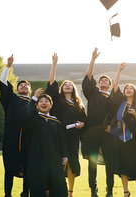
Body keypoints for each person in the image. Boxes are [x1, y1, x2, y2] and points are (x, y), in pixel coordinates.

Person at [46, 53, 86, 197]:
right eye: (65, 84)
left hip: (72, 137)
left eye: (70, 84)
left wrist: (81, 124)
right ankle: (53, 189)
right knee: (57, 162)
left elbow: (84, 121)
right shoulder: (57, 100)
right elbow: (51, 83)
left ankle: (70, 192)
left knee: (72, 164)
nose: (67, 85)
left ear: (73, 88)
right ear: (61, 88)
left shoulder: (78, 105)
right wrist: (54, 64)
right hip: (58, 134)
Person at [81, 48, 114, 197]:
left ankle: (110, 189)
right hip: (93, 132)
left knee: (110, 161)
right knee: (92, 162)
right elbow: (88, 76)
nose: (103, 81)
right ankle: (93, 190)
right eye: (101, 80)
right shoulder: (93, 94)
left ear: (110, 84)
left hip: (107, 133)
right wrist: (93, 59)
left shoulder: (113, 99)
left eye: (106, 80)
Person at [24, 88, 69, 197]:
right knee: (38, 186)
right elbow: (28, 114)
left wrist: (65, 155)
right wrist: (34, 98)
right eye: (41, 101)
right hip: (37, 158)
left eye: (46, 101)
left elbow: (62, 140)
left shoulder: (56, 121)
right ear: (36, 105)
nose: (44, 103)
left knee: (58, 185)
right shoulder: (33, 119)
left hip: (54, 158)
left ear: (51, 105)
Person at [109, 63, 136, 197]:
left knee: (135, 165)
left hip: (133, 140)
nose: (128, 89)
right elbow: (115, 86)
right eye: (126, 88)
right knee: (122, 166)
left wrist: (135, 114)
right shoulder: (119, 103)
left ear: (135, 92)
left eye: (131, 88)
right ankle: (125, 191)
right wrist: (118, 70)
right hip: (119, 140)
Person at [0, 54, 31, 197]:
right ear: (18, 90)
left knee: (29, 167)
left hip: (29, 141)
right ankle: (8, 194)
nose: (23, 86)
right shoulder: (11, 100)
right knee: (9, 169)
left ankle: (25, 192)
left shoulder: (35, 103)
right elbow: (3, 83)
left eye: (26, 85)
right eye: (21, 85)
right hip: (11, 139)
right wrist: (7, 66)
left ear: (29, 90)